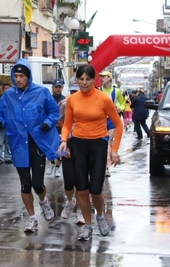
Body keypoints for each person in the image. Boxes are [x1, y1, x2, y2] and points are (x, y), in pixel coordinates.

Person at [0, 58, 60, 233]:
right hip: (18, 144)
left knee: (38, 184)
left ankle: (44, 202)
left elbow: (54, 112)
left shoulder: (41, 92)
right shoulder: (8, 95)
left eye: (22, 75)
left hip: (37, 142)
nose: (18, 79)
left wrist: (47, 122)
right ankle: (32, 218)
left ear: (28, 76)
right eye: (15, 76)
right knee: (25, 184)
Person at [57, 64, 123, 241]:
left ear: (95, 80)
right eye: (81, 79)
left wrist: (114, 150)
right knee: (82, 191)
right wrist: (64, 141)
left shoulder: (103, 99)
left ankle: (100, 216)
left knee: (95, 190)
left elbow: (118, 124)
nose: (84, 83)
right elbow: (67, 124)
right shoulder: (72, 99)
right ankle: (88, 225)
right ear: (76, 80)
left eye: (88, 79)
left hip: (98, 145)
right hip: (78, 144)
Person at [59, 76, 85, 225]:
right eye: (73, 91)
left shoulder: (89, 102)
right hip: (68, 146)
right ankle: (70, 201)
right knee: (69, 182)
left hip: (84, 147)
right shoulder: (63, 104)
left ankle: (80, 211)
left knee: (81, 183)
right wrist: (61, 144)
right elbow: (58, 125)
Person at [99, 70, 125, 178]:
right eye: (101, 77)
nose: (102, 79)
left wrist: (120, 108)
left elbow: (123, 103)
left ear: (109, 78)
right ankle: (99, 165)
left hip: (112, 120)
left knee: (108, 143)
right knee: (101, 143)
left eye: (104, 77)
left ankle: (106, 168)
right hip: (100, 120)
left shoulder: (116, 91)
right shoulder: (99, 90)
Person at [46, 78, 66, 177]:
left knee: (60, 147)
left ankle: (58, 167)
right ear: (52, 87)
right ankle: (52, 162)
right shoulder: (48, 98)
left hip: (61, 126)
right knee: (50, 146)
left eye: (59, 87)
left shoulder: (65, 99)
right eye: (56, 87)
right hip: (50, 126)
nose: (58, 89)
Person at [0, 81, 12, 164]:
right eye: (5, 88)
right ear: (3, 89)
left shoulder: (13, 99)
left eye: (8, 88)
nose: (7, 90)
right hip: (1, 123)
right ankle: (0, 157)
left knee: (8, 142)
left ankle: (8, 157)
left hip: (9, 124)